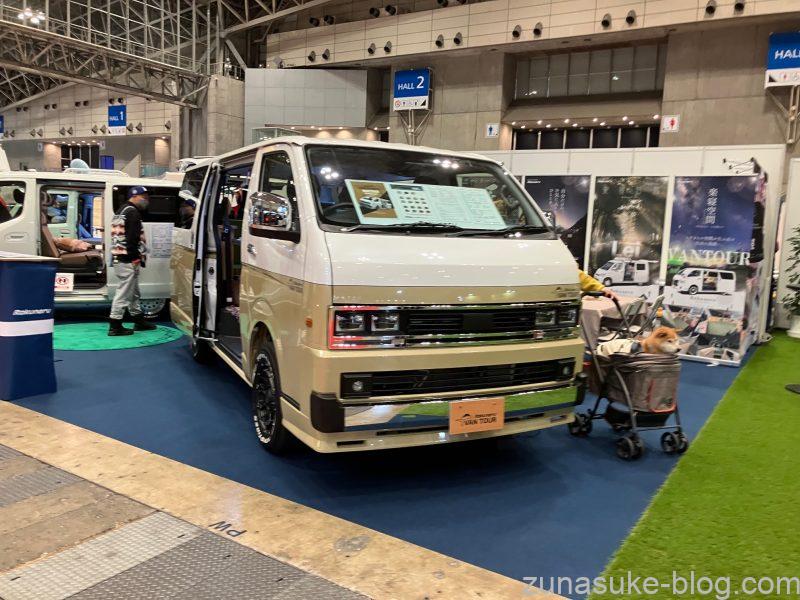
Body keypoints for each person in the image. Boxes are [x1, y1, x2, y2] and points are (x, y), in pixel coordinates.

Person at [108, 186, 157, 336]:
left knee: (134, 292)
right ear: (134, 196)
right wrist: (135, 257)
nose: (147, 200)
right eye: (144, 197)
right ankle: (115, 325)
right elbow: (132, 238)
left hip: (120, 256)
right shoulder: (132, 212)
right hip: (127, 259)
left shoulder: (122, 210)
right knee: (124, 292)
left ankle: (138, 320)